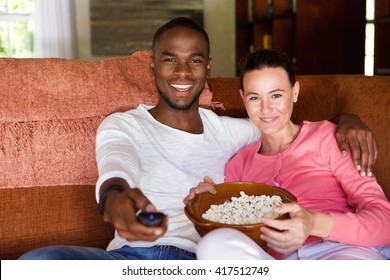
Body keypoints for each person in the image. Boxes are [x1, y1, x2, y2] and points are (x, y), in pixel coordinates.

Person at [20, 17, 378, 260]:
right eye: (169, 59)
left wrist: (347, 119)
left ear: (208, 67)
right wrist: (115, 199)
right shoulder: (123, 125)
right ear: (153, 67)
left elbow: (283, 126)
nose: (181, 72)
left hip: (206, 262)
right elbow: (116, 166)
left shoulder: (231, 131)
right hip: (129, 259)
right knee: (39, 263)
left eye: (194, 61)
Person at [187, 49, 390, 260]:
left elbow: (385, 222)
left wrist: (313, 223)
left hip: (341, 252)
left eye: (276, 95)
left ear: (294, 92)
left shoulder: (328, 138)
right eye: (255, 97)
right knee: (212, 245)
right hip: (278, 262)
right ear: (243, 98)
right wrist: (205, 204)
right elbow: (236, 229)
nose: (266, 109)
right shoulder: (238, 165)